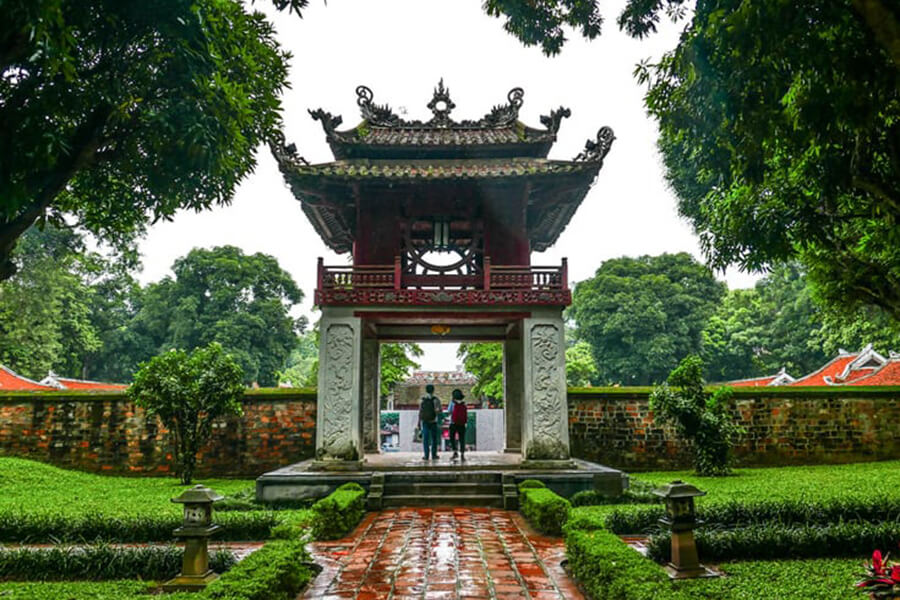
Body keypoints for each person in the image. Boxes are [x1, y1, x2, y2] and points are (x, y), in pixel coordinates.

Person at [418, 384, 441, 460]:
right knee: (434, 439)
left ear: (426, 390)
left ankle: (426, 455)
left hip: (425, 421)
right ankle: (434, 455)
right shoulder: (436, 399)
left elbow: (420, 411)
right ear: (433, 390)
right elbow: (439, 411)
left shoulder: (422, 400)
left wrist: (418, 422)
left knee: (426, 439)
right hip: (433, 421)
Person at [448, 388, 468, 461]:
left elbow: (449, 411)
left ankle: (455, 452)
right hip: (462, 424)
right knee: (462, 439)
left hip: (453, 423)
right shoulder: (464, 403)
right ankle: (462, 454)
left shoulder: (452, 403)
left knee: (452, 437)